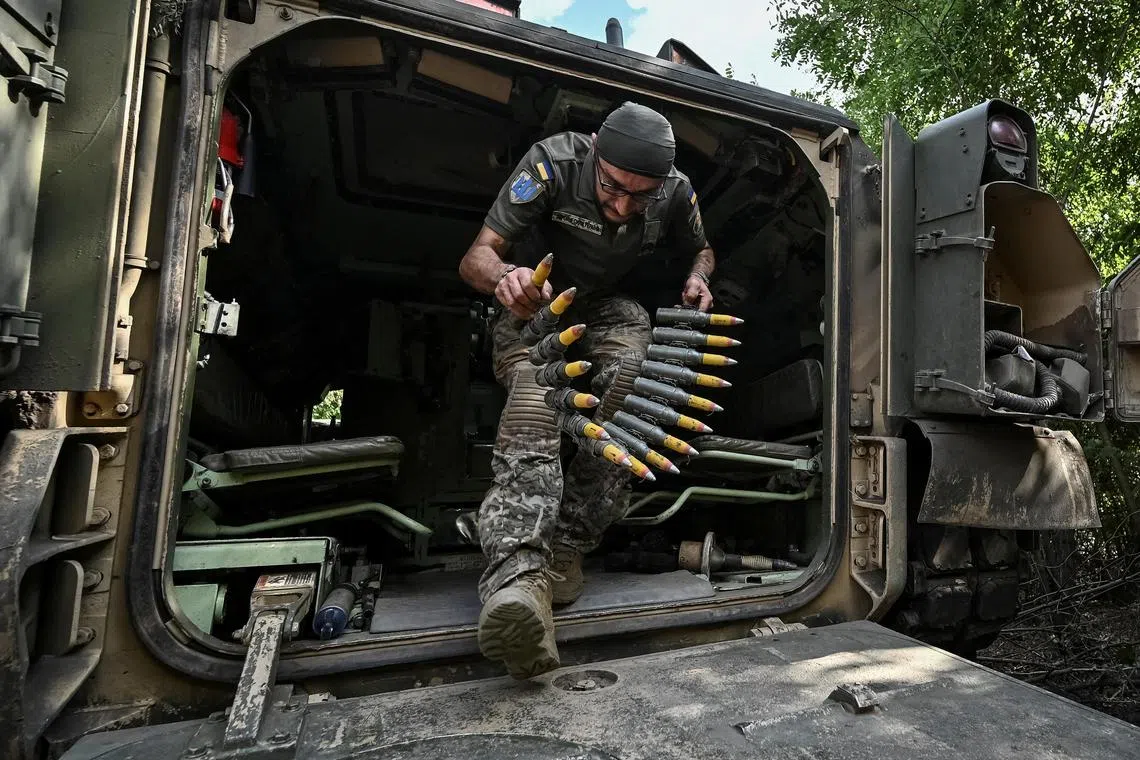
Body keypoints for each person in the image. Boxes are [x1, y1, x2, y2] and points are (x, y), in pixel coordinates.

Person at [457, 101, 715, 679]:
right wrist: (507, 279)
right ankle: (518, 578)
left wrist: (699, 276)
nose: (623, 206)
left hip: (605, 307)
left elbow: (702, 246)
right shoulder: (552, 163)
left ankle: (568, 546)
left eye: (639, 197)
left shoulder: (675, 192)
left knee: (637, 378)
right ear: (595, 147)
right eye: (612, 187)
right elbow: (476, 256)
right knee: (537, 395)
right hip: (537, 303)